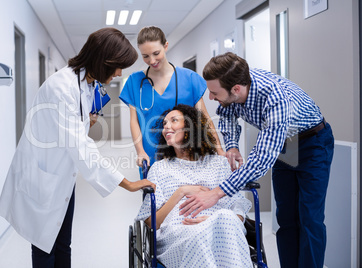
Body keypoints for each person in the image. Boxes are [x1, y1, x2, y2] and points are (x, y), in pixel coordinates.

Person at [0, 28, 155, 267]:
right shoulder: (63, 87)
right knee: (44, 247)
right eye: (118, 66)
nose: (120, 73)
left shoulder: (87, 84)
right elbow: (82, 148)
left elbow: (73, 129)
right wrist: (128, 183)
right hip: (43, 179)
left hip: (62, 179)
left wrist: (84, 121)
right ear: (104, 61)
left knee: (62, 245)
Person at [179, 52, 335, 268]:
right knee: (287, 218)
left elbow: (261, 160)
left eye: (214, 93)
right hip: (286, 146)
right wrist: (232, 144)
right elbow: (226, 114)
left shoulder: (276, 98)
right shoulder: (235, 84)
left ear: (236, 89)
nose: (211, 98)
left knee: (310, 218)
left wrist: (216, 193)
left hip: (312, 142)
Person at [136, 104, 253, 267]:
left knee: (226, 217)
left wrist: (213, 221)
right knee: (201, 233)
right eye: (164, 124)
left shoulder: (219, 164)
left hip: (221, 227)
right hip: (178, 233)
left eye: (173, 121)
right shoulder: (159, 168)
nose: (166, 127)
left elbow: (237, 205)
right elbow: (151, 222)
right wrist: (181, 192)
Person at [119, 26, 224, 173]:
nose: (152, 60)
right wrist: (140, 151)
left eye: (156, 53)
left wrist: (219, 151)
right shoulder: (134, 81)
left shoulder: (189, 78)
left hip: (187, 155)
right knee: (155, 194)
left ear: (165, 46)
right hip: (151, 156)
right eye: (146, 56)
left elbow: (204, 118)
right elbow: (134, 121)